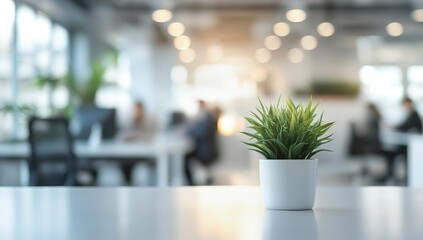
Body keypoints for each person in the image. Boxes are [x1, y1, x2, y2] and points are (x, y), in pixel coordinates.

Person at [379, 98, 422, 183]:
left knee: (393, 153)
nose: (404, 106)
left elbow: (405, 126)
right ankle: (392, 176)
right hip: (410, 145)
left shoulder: (414, 115)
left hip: (414, 146)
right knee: (392, 151)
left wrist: (393, 127)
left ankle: (394, 176)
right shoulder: (410, 114)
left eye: (404, 104)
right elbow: (404, 125)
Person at [118, 101, 157, 185]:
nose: (137, 112)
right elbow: (124, 133)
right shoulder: (131, 119)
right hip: (132, 152)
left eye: (139, 110)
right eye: (135, 110)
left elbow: (151, 136)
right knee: (124, 163)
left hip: (148, 152)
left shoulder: (150, 120)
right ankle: (128, 184)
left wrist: (137, 136)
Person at [184, 101, 219, 185]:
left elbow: (199, 131)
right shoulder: (207, 116)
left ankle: (190, 183)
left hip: (204, 150)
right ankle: (192, 182)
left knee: (185, 158)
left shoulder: (206, 117)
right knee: (186, 157)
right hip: (206, 149)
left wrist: (186, 131)